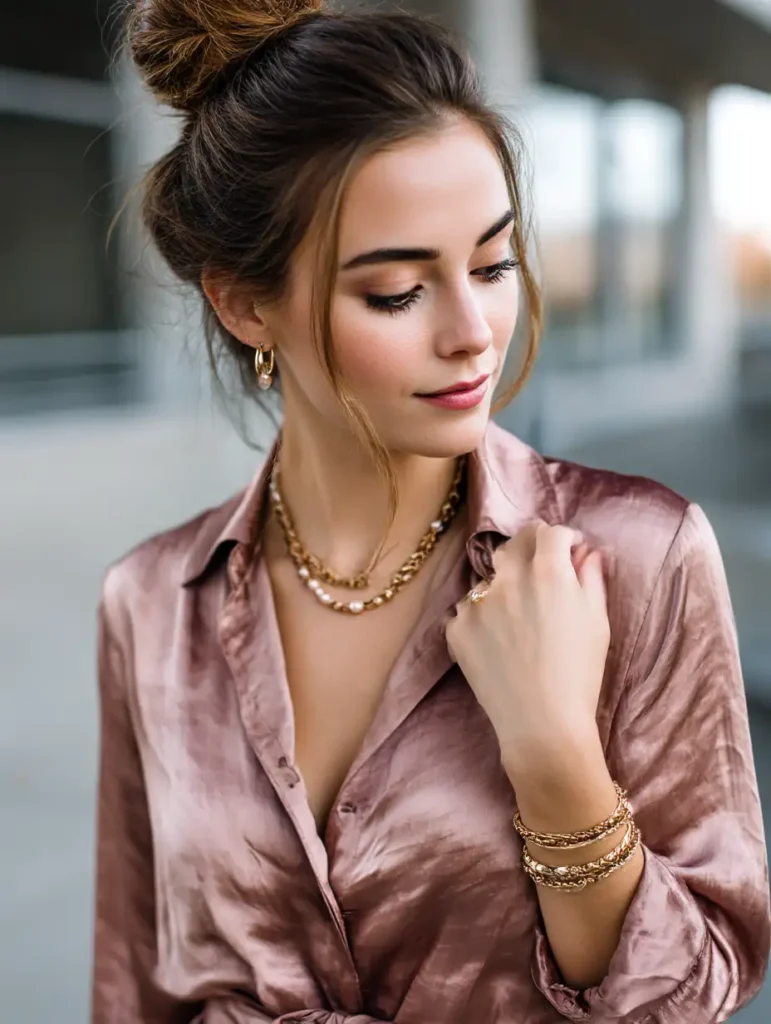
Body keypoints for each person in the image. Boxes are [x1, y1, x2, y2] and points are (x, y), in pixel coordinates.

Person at [92, 2, 771, 1022]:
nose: (473, 334)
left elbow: (695, 991)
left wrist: (556, 761)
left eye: (493, 267)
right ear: (242, 303)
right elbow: (133, 983)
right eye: (399, 293)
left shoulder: (641, 556)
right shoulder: (148, 602)